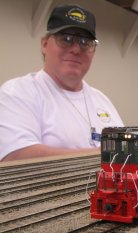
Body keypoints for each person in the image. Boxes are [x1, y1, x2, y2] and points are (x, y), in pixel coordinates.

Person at [0, 4, 124, 162]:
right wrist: (104, 155)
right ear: (44, 44)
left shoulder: (102, 101)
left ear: (93, 51)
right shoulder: (17, 92)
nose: (76, 49)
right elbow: (16, 158)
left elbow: (126, 153)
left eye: (85, 42)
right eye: (66, 39)